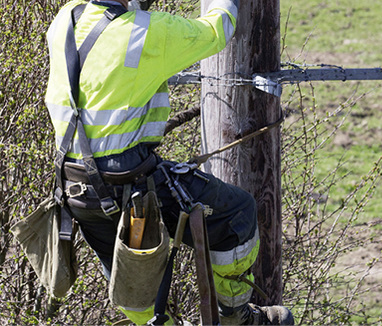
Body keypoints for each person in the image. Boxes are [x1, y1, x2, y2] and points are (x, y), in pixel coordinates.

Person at [45, 0, 294, 324]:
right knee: (237, 214)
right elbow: (216, 30)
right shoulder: (147, 31)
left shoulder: (66, 18)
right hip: (129, 183)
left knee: (131, 284)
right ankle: (236, 317)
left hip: (76, 189)